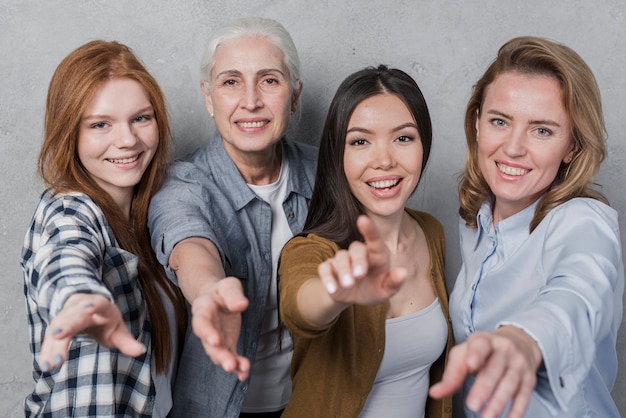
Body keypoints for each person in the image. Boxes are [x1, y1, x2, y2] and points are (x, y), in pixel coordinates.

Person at [429, 36, 624, 418]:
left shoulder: (582, 221)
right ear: (477, 124)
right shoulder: (476, 221)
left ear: (572, 146)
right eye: (500, 121)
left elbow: (577, 295)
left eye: (542, 130)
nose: (514, 147)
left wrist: (522, 339)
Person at [147, 17, 317, 417]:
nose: (252, 100)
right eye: (230, 82)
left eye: (270, 80)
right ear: (208, 98)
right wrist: (207, 292)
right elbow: (188, 243)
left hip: (311, 403)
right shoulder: (182, 184)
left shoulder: (328, 170)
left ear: (295, 95)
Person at [21, 40, 188, 417]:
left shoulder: (154, 217)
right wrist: (80, 300)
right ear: (70, 133)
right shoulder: (68, 211)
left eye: (141, 118)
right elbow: (65, 257)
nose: (127, 139)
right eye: (100, 124)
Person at [278, 65, 453, 418]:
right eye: (360, 141)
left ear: (424, 144)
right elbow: (301, 307)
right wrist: (336, 294)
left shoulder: (431, 231)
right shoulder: (310, 250)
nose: (384, 160)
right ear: (337, 156)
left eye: (403, 138)